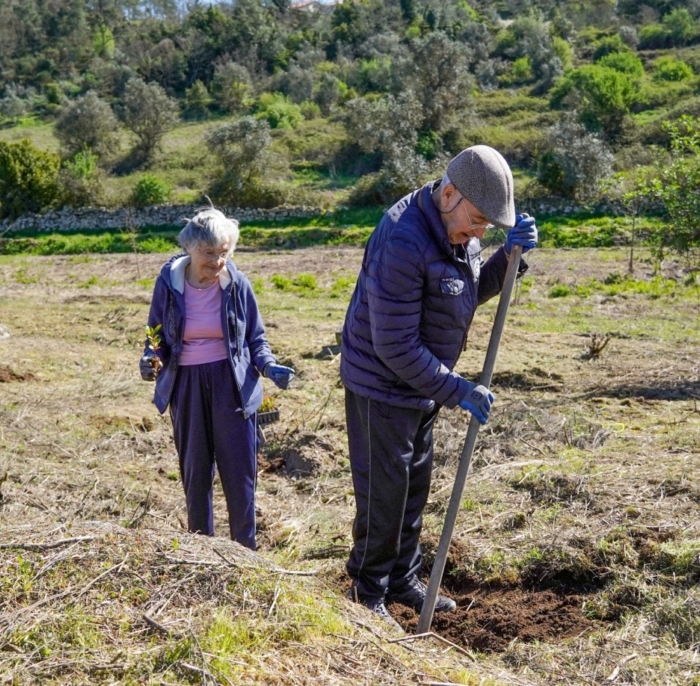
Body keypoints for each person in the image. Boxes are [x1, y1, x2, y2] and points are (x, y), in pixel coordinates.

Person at [340, 145, 538, 623]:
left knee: (413, 488)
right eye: (476, 222)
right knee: (383, 496)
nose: (478, 234)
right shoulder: (404, 241)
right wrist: (457, 389)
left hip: (421, 387)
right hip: (381, 387)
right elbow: (395, 346)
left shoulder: (458, 230)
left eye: (488, 227)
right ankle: (367, 594)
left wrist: (509, 257)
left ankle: (403, 579)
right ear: (449, 193)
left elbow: (463, 294)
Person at [140, 208, 294, 551]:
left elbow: (256, 337)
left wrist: (269, 367)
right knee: (196, 475)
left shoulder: (237, 284)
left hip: (232, 385)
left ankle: (246, 555)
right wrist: (150, 359)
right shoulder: (169, 283)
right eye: (209, 253)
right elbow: (156, 336)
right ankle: (202, 552)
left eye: (223, 253)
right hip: (187, 386)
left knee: (240, 477)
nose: (217, 261)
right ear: (190, 249)